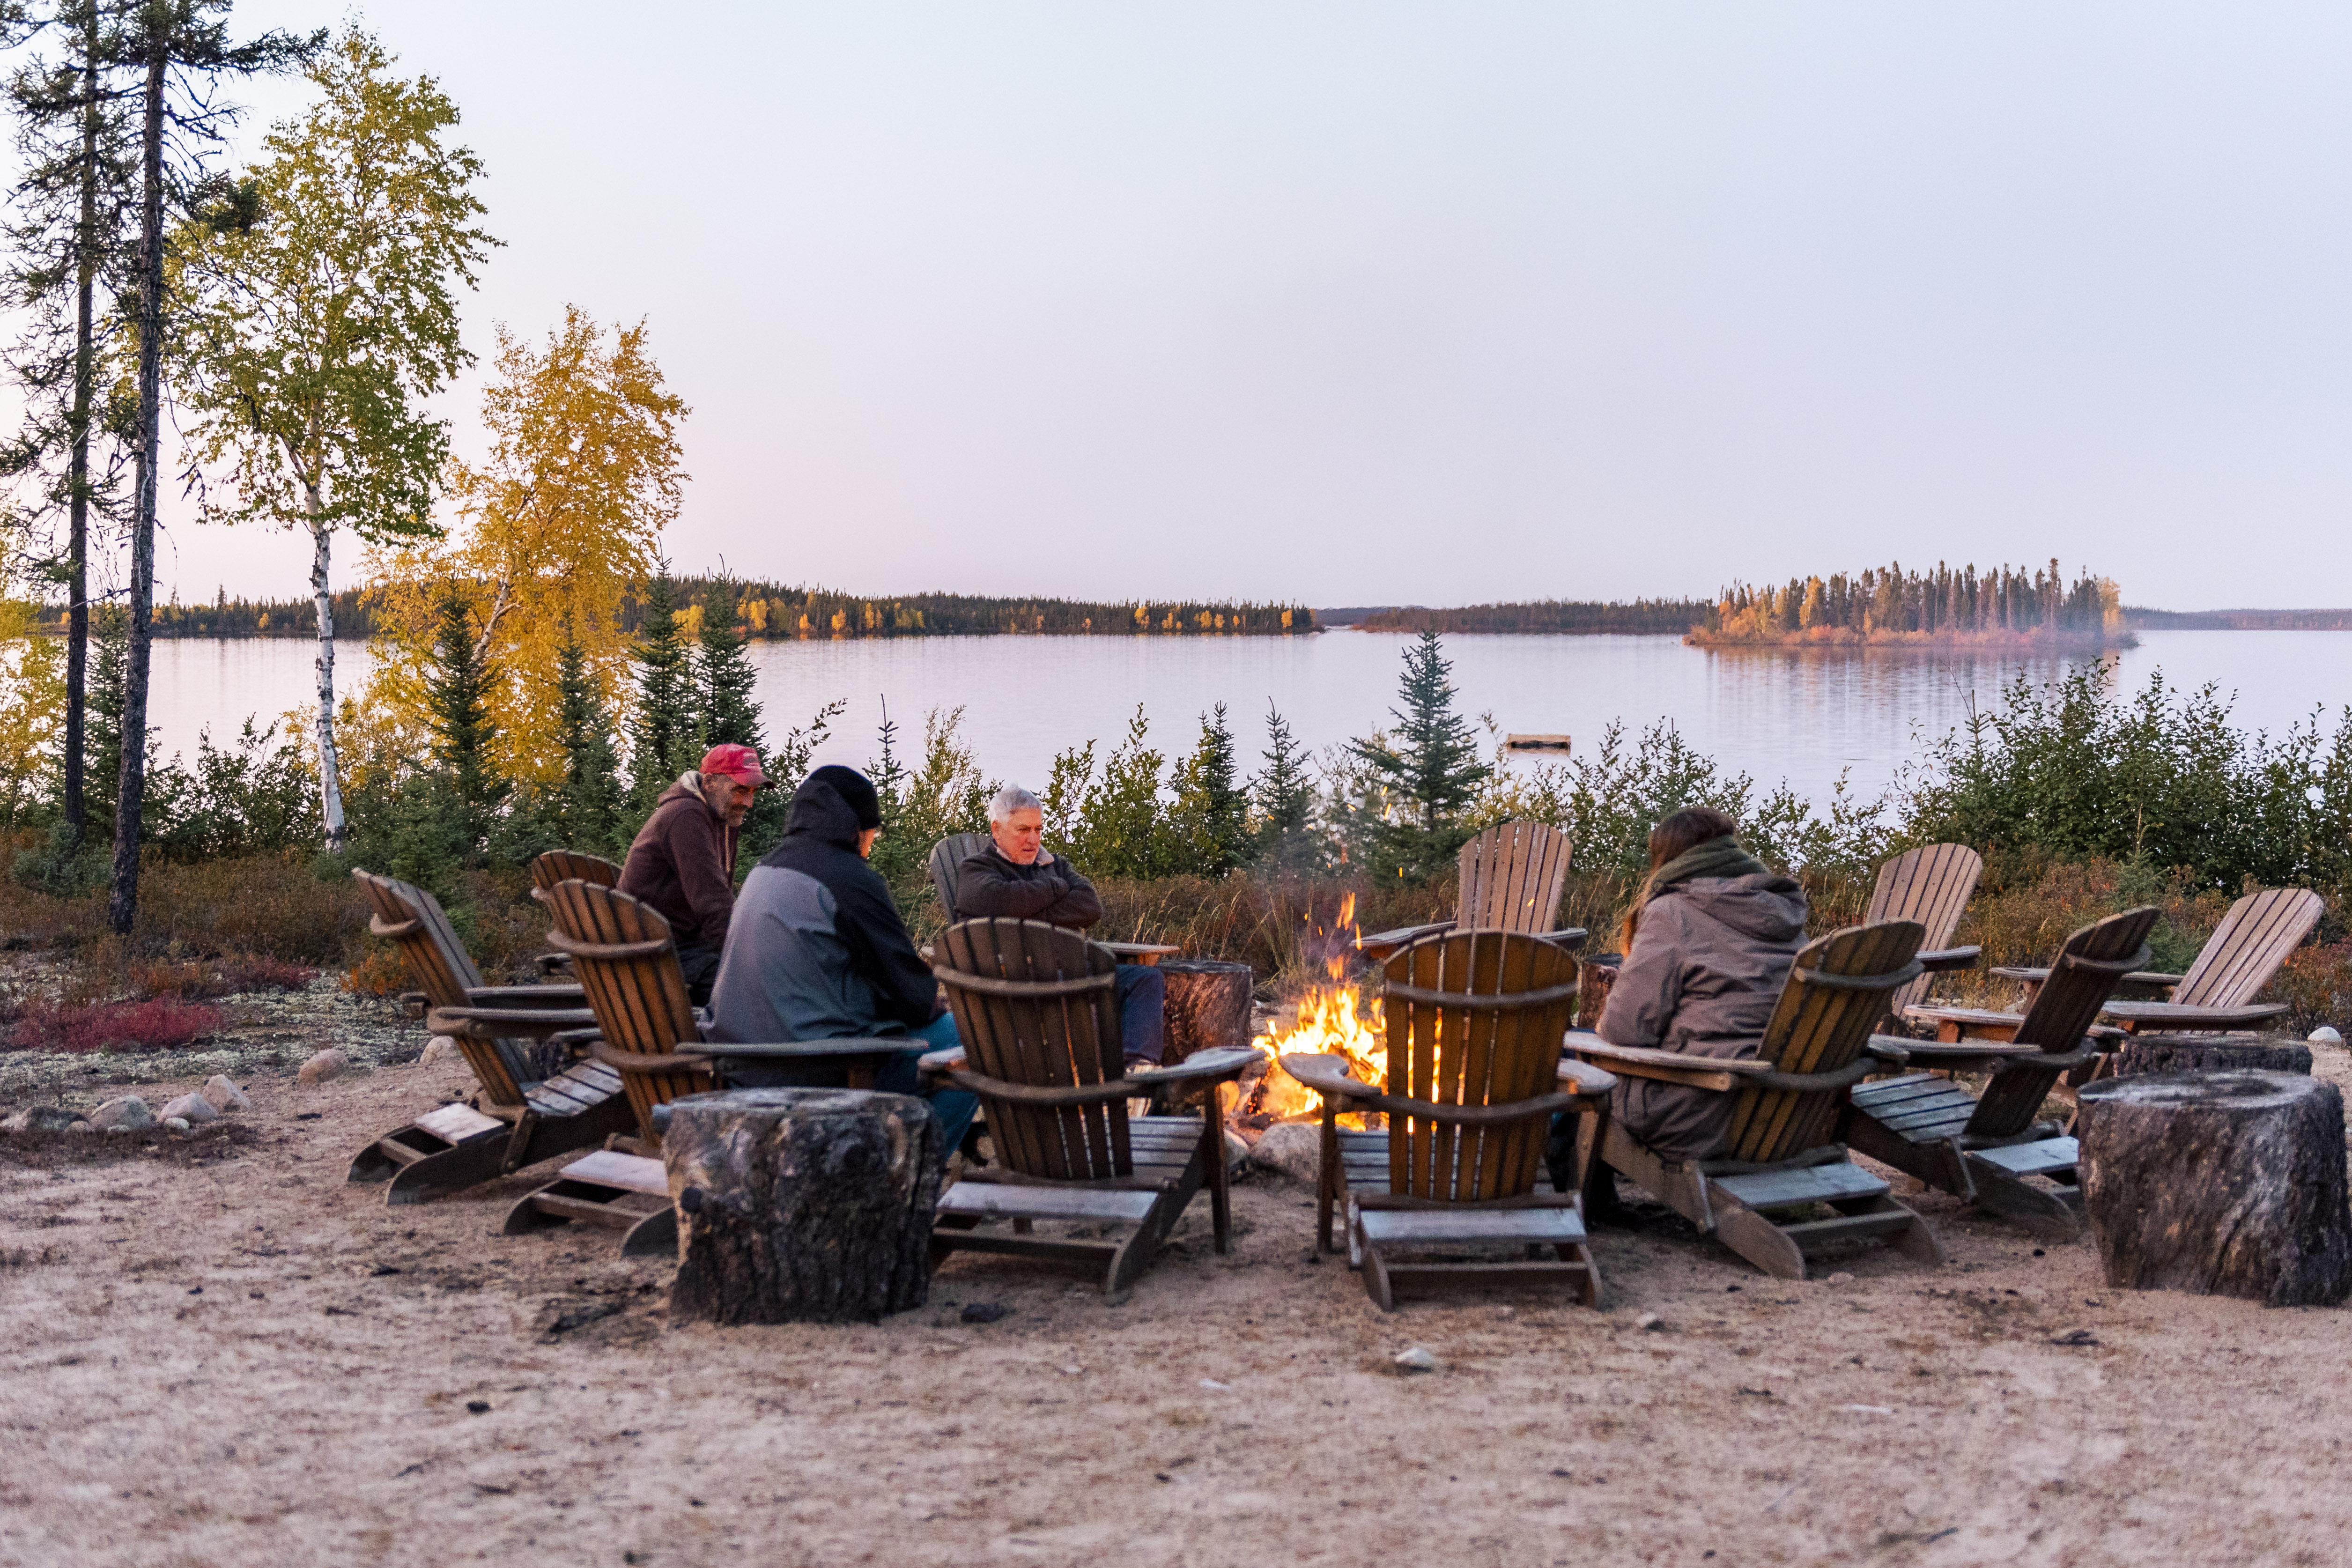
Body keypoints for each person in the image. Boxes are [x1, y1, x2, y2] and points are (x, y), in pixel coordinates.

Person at [703, 766, 977, 1154]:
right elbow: (914, 998)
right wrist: (935, 1002)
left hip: (744, 1069)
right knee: (973, 1042)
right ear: (858, 829)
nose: (871, 846)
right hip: (822, 1073)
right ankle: (908, 1184)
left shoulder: (763, 871)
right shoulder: (848, 879)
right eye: (873, 834)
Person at [1585, 806, 1808, 1182]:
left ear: (1666, 858)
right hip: (1788, 1111)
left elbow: (1624, 1033)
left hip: (1700, 1106)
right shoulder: (1780, 912)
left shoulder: (1673, 910)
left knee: (1567, 1059)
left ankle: (1585, 1203)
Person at [955, 784, 1166, 1072]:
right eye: (1023, 830)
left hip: (1068, 970)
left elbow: (1090, 906)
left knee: (1145, 979)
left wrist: (1026, 911)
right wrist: (1056, 887)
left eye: (1038, 829)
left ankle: (1136, 1072)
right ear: (997, 830)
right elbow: (1002, 899)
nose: (1033, 839)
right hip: (1012, 979)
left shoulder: (1052, 863)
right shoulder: (975, 870)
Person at [617, 743, 765, 1006]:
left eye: (753, 792)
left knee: (766, 972)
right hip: (654, 951)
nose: (748, 802)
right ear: (709, 782)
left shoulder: (722, 816)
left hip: (682, 945)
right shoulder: (686, 815)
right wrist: (747, 958)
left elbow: (721, 900)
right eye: (740, 790)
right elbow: (712, 902)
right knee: (754, 987)